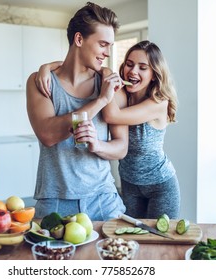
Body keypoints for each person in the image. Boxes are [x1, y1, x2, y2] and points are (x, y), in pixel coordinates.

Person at [37, 40, 180, 219]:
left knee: (161, 242)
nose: (133, 71)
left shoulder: (158, 103)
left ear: (154, 74)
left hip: (160, 185)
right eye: (129, 64)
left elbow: (111, 116)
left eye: (143, 67)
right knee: (133, 239)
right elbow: (77, 63)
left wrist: (105, 73)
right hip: (129, 183)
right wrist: (47, 67)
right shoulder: (122, 94)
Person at [26, 2, 128, 221]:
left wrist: (97, 145)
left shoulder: (109, 82)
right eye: (103, 44)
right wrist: (100, 100)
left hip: (104, 200)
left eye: (109, 46)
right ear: (79, 39)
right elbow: (48, 135)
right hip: (55, 201)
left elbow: (121, 148)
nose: (107, 53)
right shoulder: (41, 82)